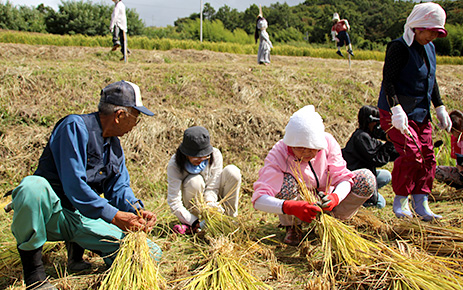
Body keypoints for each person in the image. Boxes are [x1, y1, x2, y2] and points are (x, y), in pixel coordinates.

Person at [10, 80, 162, 290]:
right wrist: (116, 216)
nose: (135, 125)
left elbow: (119, 188)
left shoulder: (114, 146)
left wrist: (137, 209)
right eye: (136, 118)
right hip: (52, 214)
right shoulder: (74, 128)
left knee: (151, 254)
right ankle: (34, 276)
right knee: (31, 188)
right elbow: (75, 186)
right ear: (119, 116)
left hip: (80, 217)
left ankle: (77, 253)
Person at [252, 105, 376, 246]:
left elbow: (343, 178)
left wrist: (335, 197)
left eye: (313, 149)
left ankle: (337, 220)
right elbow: (259, 199)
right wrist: (290, 207)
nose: (307, 153)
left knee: (366, 179)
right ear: (290, 144)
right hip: (300, 204)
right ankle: (293, 226)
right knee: (285, 183)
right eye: (300, 148)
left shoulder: (328, 142)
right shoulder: (279, 153)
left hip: (327, 199)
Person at [377, 2, 452, 221]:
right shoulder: (399, 47)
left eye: (437, 33)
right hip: (397, 114)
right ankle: (401, 200)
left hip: (420, 113)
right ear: (418, 26)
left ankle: (422, 202)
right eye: (431, 31)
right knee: (411, 154)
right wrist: (396, 108)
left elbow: (431, 79)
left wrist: (439, 107)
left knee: (428, 156)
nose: (433, 37)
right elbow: (388, 81)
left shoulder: (429, 48)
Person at [167, 126, 241, 234]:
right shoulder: (175, 164)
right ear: (186, 154)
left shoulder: (215, 155)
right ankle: (199, 224)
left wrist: (211, 205)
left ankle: (229, 220)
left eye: (204, 157)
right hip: (192, 207)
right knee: (195, 181)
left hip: (213, 201)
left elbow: (213, 187)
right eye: (196, 157)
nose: (201, 160)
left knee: (233, 172)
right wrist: (193, 220)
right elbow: (174, 201)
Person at [342, 105, 399, 208]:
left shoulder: (368, 136)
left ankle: (368, 193)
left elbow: (387, 154)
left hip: (366, 173)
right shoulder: (361, 138)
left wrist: (399, 144)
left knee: (386, 175)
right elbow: (378, 159)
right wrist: (389, 142)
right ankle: (360, 198)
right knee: (380, 203)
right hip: (356, 177)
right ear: (370, 121)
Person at [435, 110, 463, 189]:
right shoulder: (455, 140)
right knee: (436, 171)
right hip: (461, 174)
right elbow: (458, 163)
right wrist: (460, 171)